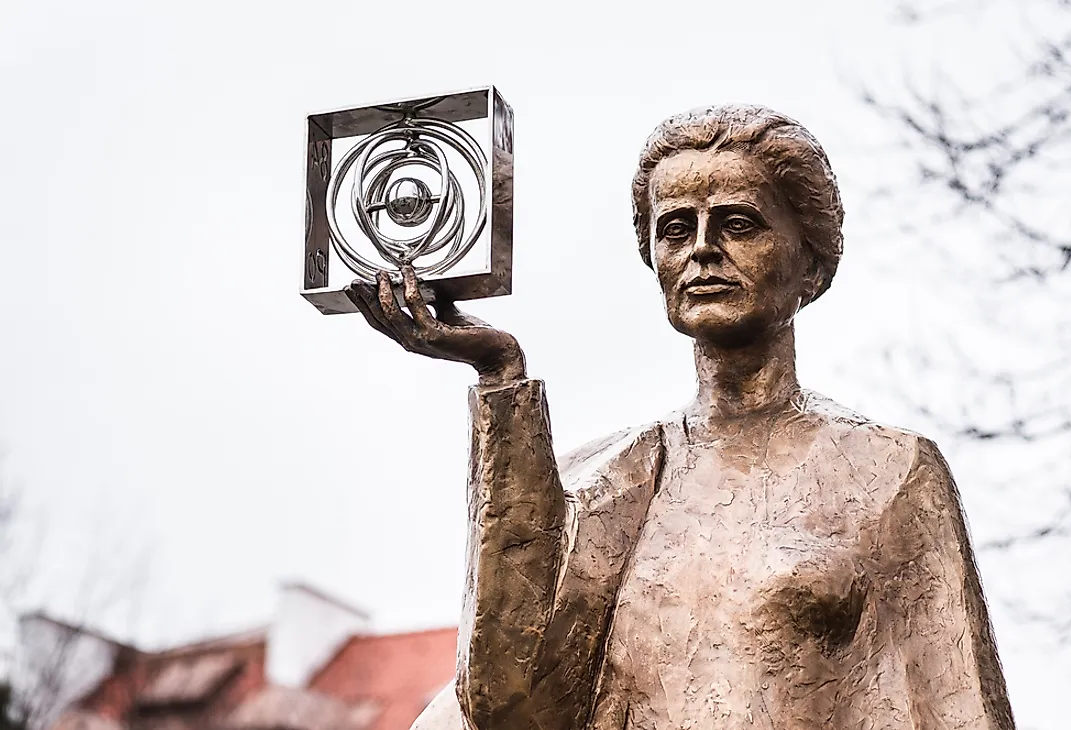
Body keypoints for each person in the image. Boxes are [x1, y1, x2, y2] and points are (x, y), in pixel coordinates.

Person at [345, 105, 1016, 730]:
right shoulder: (607, 477)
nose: (701, 249)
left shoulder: (890, 471)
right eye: (675, 228)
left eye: (738, 223)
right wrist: (500, 379)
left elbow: (955, 705)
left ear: (809, 261)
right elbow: (510, 703)